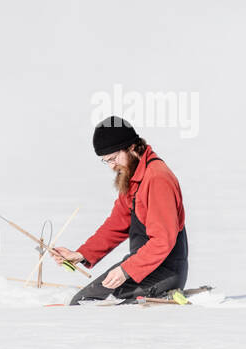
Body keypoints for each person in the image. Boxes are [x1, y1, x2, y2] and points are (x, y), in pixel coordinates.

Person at [48, 116, 188, 305]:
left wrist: (126, 270)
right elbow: (117, 223)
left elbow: (162, 241)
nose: (112, 166)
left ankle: (166, 295)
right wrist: (81, 254)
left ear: (131, 147)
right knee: (84, 300)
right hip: (141, 267)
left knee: (89, 302)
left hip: (165, 271)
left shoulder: (157, 178)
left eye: (113, 158)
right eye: (106, 161)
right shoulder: (133, 174)